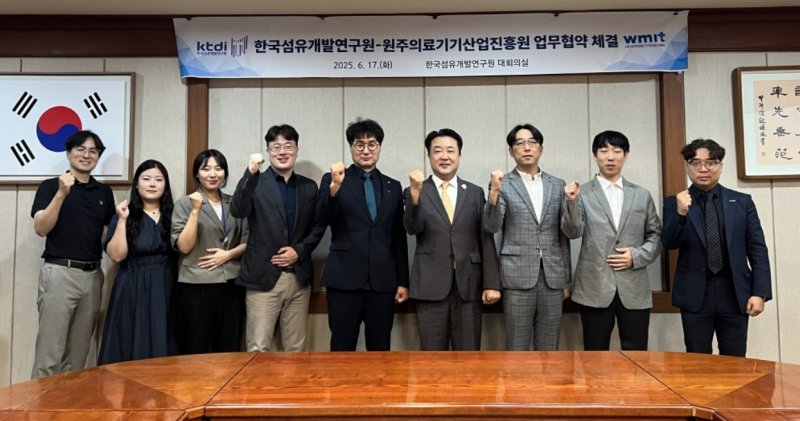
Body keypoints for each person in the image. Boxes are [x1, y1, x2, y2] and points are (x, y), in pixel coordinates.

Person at [662, 138, 771, 357]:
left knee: (735, 360)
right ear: (687, 166)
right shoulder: (675, 203)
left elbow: (757, 249)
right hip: (695, 294)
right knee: (698, 361)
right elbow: (668, 243)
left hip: (734, 292)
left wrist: (760, 293)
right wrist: (681, 214)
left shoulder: (742, 202)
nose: (703, 169)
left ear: (721, 166)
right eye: (695, 163)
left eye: (710, 162)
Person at [561, 130, 661, 351]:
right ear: (595, 155)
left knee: (636, 355)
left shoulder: (641, 195)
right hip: (594, 285)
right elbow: (572, 232)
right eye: (604, 151)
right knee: (595, 354)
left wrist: (636, 256)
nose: (610, 157)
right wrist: (571, 203)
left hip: (634, 287)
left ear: (626, 156)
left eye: (617, 151)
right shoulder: (581, 193)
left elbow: (655, 235)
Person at [404, 128, 501, 351]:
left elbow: (485, 237)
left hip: (468, 285)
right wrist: (415, 197)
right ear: (429, 155)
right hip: (430, 286)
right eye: (437, 151)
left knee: (468, 357)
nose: (444, 156)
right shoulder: (415, 190)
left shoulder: (474, 192)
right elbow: (412, 228)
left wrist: (491, 284)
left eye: (450, 150)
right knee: (432, 357)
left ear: (459, 155)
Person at [317, 118, 409, 351]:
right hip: (344, 279)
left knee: (380, 348)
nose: (366, 150)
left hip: (383, 281)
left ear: (380, 147)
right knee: (342, 347)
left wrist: (403, 281)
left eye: (372, 144)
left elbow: (398, 237)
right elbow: (322, 220)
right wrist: (334, 189)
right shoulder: (334, 179)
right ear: (351, 147)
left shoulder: (393, 186)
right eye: (359, 144)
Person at [30, 130, 116, 378]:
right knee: (49, 354)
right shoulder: (50, 186)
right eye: (81, 149)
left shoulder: (104, 192)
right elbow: (41, 228)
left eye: (93, 151)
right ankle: (40, 403)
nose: (87, 155)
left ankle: (68, 402)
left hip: (93, 276)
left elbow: (106, 236)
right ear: (68, 153)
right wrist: (61, 194)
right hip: (59, 273)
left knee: (78, 356)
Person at [230, 125, 322, 352]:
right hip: (263, 276)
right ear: (268, 151)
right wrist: (250, 172)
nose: (282, 152)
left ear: (297, 150)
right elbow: (237, 210)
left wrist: (299, 251)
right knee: (258, 348)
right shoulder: (256, 182)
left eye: (288, 146)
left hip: (299, 279)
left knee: (295, 350)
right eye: (276, 147)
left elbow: (318, 227)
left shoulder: (309, 187)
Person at [484, 124, 571, 351]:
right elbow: (492, 226)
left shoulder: (558, 185)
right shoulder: (502, 184)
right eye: (520, 143)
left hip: (552, 278)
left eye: (532, 142)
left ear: (541, 149)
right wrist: (493, 193)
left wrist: (565, 279)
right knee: (517, 347)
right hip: (517, 276)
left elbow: (564, 237)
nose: (527, 147)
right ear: (511, 151)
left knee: (549, 347)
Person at [98, 159, 175, 364]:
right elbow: (116, 255)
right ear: (137, 184)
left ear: (165, 185)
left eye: (159, 179)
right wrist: (123, 220)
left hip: (167, 285)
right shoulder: (124, 215)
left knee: (165, 340)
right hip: (133, 286)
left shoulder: (174, 214)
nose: (152, 184)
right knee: (130, 340)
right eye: (146, 179)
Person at [172, 149, 247, 354]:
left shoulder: (235, 203)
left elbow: (248, 241)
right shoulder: (184, 204)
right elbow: (183, 246)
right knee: (195, 347)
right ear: (197, 173)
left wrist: (228, 255)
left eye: (218, 168)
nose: (213, 174)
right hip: (196, 284)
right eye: (206, 169)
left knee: (229, 347)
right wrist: (195, 210)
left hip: (230, 282)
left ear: (225, 173)